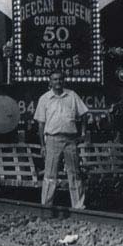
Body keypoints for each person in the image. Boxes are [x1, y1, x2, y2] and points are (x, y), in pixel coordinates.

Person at [34, 69, 89, 209]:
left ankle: (78, 206)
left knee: (74, 173)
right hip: (52, 139)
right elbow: (41, 124)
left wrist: (83, 132)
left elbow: (84, 114)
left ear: (63, 81)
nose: (58, 82)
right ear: (50, 82)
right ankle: (46, 205)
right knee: (50, 174)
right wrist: (42, 145)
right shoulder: (44, 98)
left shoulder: (72, 96)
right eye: (55, 79)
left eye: (60, 79)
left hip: (70, 140)